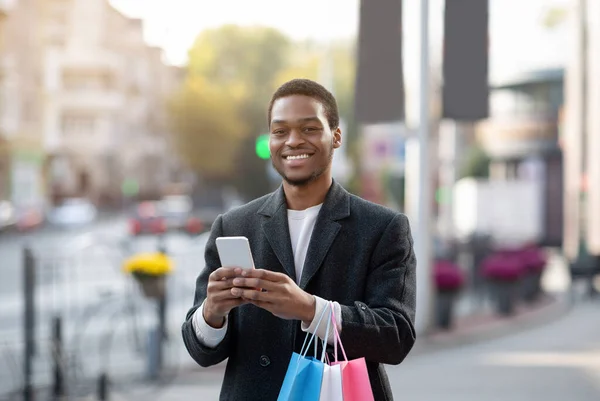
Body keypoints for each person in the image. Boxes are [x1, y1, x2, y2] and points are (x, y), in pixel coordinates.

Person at [181, 78, 416, 400]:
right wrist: (212, 312)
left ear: (335, 136)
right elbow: (201, 351)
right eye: (280, 131)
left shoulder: (383, 227)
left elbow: (396, 337)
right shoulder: (233, 225)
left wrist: (309, 308)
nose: (293, 141)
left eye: (308, 128)